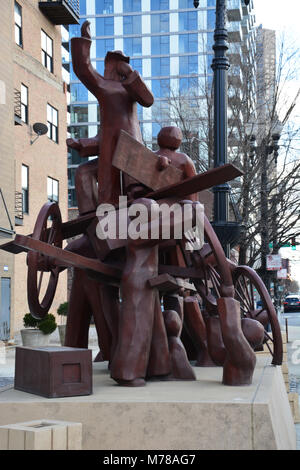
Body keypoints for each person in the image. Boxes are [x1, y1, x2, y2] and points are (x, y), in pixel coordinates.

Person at [67, 20, 154, 209]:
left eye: (119, 63)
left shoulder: (130, 87)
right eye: (115, 62)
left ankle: (134, 203)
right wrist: (84, 40)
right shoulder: (103, 86)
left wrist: (130, 73)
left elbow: (148, 99)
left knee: (131, 182)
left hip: (129, 143)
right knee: (86, 173)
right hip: (108, 144)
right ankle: (90, 217)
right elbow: (83, 68)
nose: (116, 67)